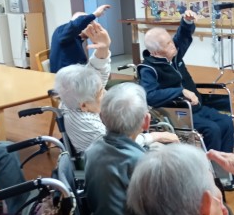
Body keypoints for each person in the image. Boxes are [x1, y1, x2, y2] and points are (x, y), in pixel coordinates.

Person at [54, 21, 178, 153]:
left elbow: (96, 72)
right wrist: (155, 136)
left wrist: (103, 48)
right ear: (84, 105)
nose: (105, 94)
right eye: (101, 93)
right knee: (160, 149)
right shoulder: (88, 126)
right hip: (107, 158)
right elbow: (120, 143)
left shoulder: (71, 99)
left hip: (111, 148)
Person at [138, 10, 234, 153]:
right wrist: (181, 91)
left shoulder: (174, 55)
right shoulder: (148, 69)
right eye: (167, 44)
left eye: (170, 41)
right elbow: (150, 95)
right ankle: (209, 164)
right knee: (212, 129)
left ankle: (226, 162)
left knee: (226, 122)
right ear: (156, 52)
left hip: (197, 106)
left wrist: (187, 21)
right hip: (179, 112)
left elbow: (182, 36)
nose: (173, 45)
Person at [83, 82, 157, 215]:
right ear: (146, 121)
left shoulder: (92, 149)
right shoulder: (139, 162)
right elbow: (158, 208)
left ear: (102, 117)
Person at [49, 4, 111, 73]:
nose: (92, 27)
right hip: (65, 77)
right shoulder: (61, 30)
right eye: (88, 23)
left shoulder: (75, 38)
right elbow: (75, 26)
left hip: (74, 74)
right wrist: (95, 14)